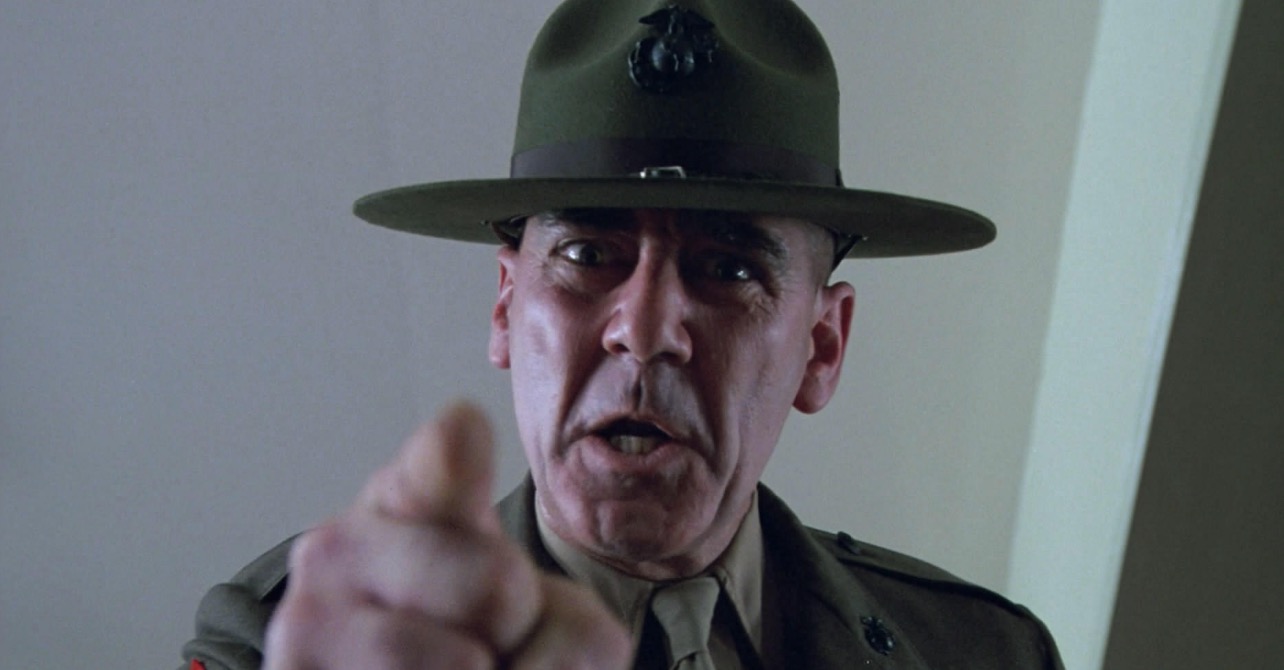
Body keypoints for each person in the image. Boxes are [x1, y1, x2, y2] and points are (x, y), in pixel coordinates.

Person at [180, 1, 1063, 668]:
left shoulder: (981, 652)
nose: (643, 334)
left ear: (821, 348)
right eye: (588, 254)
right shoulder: (293, 639)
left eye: (729, 269)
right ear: (505, 308)